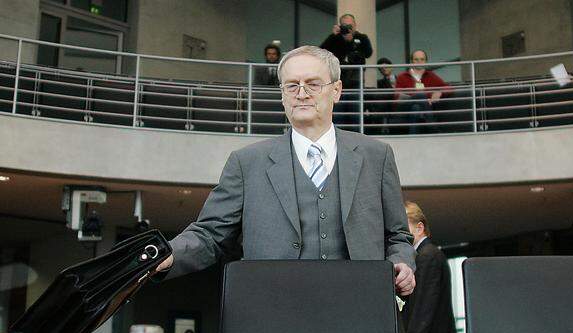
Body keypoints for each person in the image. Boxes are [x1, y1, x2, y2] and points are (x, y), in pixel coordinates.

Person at [156, 46, 416, 297]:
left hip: (359, 308)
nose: (301, 93)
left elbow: (398, 235)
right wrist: (166, 254)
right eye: (292, 85)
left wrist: (402, 262)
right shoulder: (247, 162)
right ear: (282, 95)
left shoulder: (376, 156)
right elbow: (211, 234)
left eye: (313, 84)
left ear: (336, 90)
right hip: (274, 307)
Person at [402, 201, 464, 333]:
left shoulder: (428, 256)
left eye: (403, 227)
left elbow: (423, 312)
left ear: (419, 228)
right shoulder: (426, 255)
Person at [395, 50, 450, 133]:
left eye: (422, 59)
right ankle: (432, 126)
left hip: (419, 110)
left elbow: (449, 88)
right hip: (405, 107)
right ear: (411, 61)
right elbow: (397, 96)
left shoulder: (431, 76)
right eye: (416, 59)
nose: (419, 62)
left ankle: (413, 138)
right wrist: (419, 98)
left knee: (416, 108)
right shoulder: (402, 76)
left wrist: (440, 92)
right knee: (420, 95)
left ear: (426, 61)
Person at [320, 14, 373, 89]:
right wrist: (333, 36)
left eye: (350, 25)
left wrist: (351, 42)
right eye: (345, 26)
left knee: (355, 98)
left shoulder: (362, 37)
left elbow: (368, 53)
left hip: (356, 75)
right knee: (339, 98)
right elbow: (322, 51)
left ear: (355, 25)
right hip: (339, 75)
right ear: (340, 26)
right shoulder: (335, 38)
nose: (348, 28)